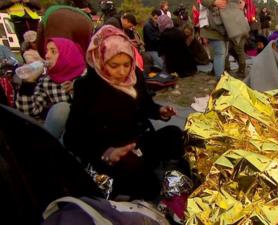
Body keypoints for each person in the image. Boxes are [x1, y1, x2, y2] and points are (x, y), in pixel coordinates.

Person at [63, 25, 186, 200]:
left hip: (138, 142)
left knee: (174, 134)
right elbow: (72, 138)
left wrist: (160, 111)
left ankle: (171, 178)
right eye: (114, 65)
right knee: (148, 184)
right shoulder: (87, 87)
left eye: (126, 64)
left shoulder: (134, 76)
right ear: (99, 59)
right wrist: (106, 152)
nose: (122, 72)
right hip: (113, 155)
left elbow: (144, 105)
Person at [16, 38, 86, 138]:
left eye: (53, 51)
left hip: (87, 132)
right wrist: (28, 82)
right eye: (46, 51)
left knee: (63, 108)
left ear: (67, 54)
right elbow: (27, 112)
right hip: (63, 135)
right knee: (61, 109)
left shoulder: (86, 77)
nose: (47, 56)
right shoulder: (47, 81)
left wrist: (78, 90)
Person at [200, 0, 228, 80]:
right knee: (220, 52)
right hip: (212, 26)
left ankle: (218, 75)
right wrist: (214, 2)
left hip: (221, 25)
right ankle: (220, 80)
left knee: (222, 53)